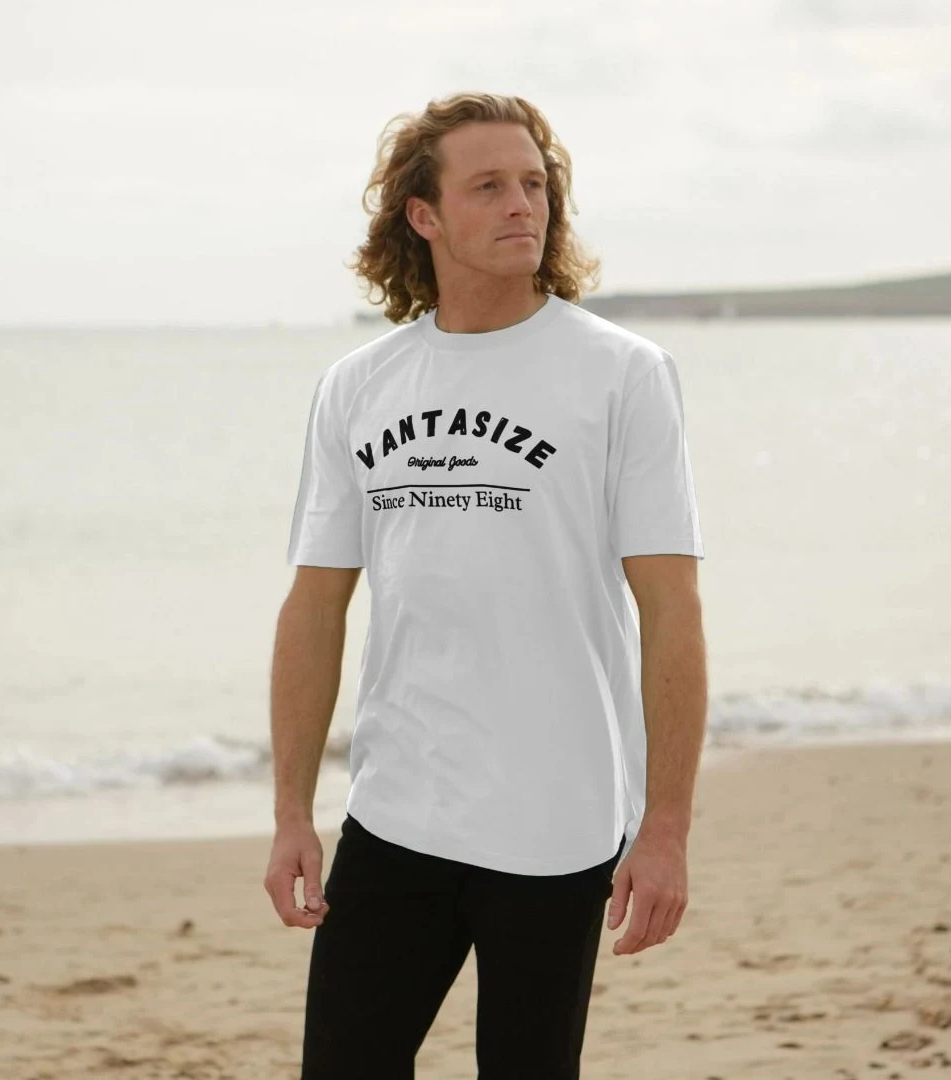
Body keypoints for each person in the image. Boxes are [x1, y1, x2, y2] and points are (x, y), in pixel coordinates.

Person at [264, 91, 708, 1080]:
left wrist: (667, 827)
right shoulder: (357, 386)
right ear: (423, 215)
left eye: (536, 185)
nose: (523, 205)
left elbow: (671, 608)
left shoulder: (623, 374)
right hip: (397, 812)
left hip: (559, 823)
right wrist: (292, 811)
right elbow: (315, 604)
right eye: (491, 186)